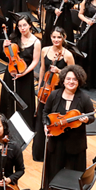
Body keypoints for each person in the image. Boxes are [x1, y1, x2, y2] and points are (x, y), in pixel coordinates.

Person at [39, 65, 94, 190]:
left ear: (79, 81)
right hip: (57, 139)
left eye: (74, 79)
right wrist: (46, 126)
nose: (71, 81)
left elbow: (92, 116)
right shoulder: (54, 95)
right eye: (68, 79)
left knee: (72, 169)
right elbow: (45, 112)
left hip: (75, 142)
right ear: (63, 81)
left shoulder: (85, 98)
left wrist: (86, 119)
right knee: (55, 166)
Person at [32, 27, 75, 162]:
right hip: (46, 90)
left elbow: (73, 76)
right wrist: (40, 87)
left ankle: (54, 154)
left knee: (53, 122)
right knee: (41, 120)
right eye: (54, 37)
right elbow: (43, 70)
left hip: (59, 93)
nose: (56, 40)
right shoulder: (45, 50)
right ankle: (39, 153)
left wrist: (59, 71)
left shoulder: (67, 55)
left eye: (59, 37)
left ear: (64, 38)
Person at [0, 15, 40, 129]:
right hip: (11, 71)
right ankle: (8, 123)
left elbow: (35, 61)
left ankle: (24, 127)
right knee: (9, 98)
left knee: (24, 99)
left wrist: (24, 73)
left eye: (24, 25)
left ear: (30, 26)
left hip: (25, 74)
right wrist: (4, 47)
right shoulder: (13, 38)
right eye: (20, 26)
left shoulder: (36, 42)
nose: (22, 28)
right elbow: (8, 55)